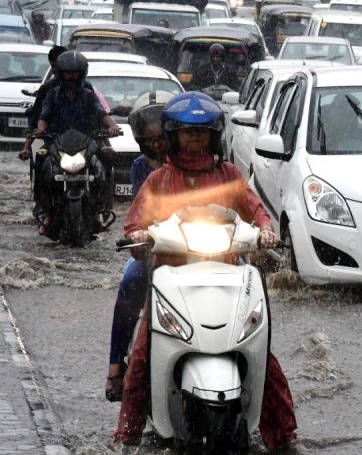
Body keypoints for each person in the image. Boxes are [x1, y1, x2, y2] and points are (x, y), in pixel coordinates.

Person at [113, 92, 304, 453]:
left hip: (228, 274)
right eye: (187, 133)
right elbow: (135, 223)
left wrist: (265, 230)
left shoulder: (229, 174)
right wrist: (137, 235)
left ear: (214, 136)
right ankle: (126, 438)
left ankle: (285, 439)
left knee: (262, 353)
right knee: (143, 353)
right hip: (174, 279)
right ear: (173, 136)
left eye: (201, 133)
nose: (195, 140)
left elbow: (256, 208)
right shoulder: (158, 180)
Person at [104, 90, 173, 403]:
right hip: (158, 249)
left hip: (203, 250)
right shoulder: (140, 168)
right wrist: (140, 235)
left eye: (162, 137)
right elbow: (138, 214)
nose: (157, 144)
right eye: (150, 139)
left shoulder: (205, 162)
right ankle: (117, 366)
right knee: (131, 283)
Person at [35, 51, 122, 235]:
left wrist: (113, 126)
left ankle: (102, 210)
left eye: (75, 73)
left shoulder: (89, 95)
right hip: (57, 143)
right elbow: (44, 116)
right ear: (60, 74)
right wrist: (41, 128)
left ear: (82, 74)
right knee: (40, 160)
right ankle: (46, 212)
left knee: (105, 160)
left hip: (86, 142)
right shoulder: (52, 94)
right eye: (68, 73)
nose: (71, 77)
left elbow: (102, 113)